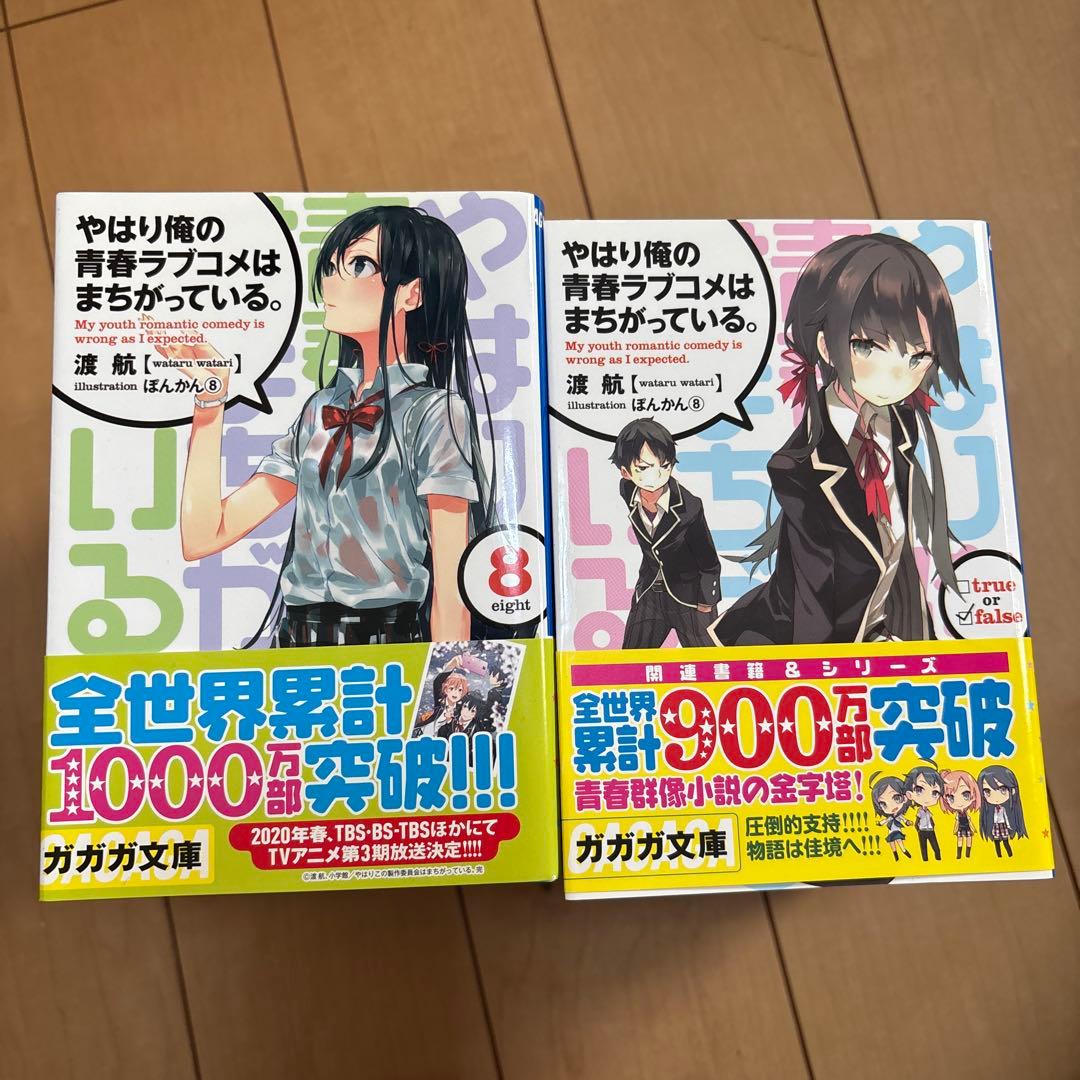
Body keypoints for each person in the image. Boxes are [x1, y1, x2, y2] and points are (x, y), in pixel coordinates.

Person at [169, 205, 495, 647]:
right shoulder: (319, 410)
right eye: (331, 266)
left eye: (359, 265)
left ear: (411, 294)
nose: (331, 282)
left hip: (389, 636)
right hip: (297, 636)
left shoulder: (434, 412)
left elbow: (452, 572)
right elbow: (205, 534)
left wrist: (447, 673)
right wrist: (211, 401)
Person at [711, 233, 969, 646]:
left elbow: (898, 554)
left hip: (879, 632)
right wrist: (822, 672)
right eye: (868, 346)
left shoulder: (901, 426)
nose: (897, 376)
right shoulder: (798, 466)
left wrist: (923, 649)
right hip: (798, 644)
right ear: (826, 346)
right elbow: (813, 595)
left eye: (919, 357)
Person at [610, 418, 720, 649]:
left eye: (665, 465)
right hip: (649, 592)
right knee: (631, 661)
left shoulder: (690, 507)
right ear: (625, 472)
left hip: (690, 597)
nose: (656, 475)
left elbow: (709, 561)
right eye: (643, 468)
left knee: (708, 663)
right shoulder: (627, 489)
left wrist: (706, 601)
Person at [940, 768, 980, 858]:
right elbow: (957, 822)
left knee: (969, 839)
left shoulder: (966, 813)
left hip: (967, 827)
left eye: (966, 794)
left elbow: (969, 821)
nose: (958, 802)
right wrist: (955, 829)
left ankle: (968, 854)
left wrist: (973, 828)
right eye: (951, 797)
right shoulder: (958, 814)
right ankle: (959, 855)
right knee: (960, 840)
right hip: (960, 828)